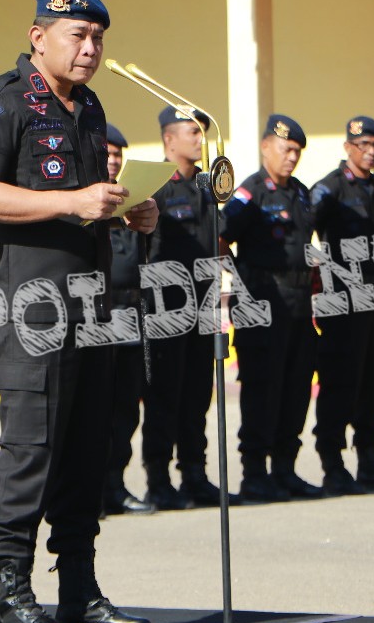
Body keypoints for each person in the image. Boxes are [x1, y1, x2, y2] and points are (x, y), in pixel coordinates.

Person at [0, 0, 158, 623]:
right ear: (39, 35)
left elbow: (87, 198)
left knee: (87, 446)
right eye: (78, 35)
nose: (91, 49)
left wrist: (132, 208)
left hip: (93, 303)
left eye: (98, 37)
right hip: (34, 305)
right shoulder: (2, 103)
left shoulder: (91, 105)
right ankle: (13, 596)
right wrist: (73, 202)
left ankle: (80, 588)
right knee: (31, 449)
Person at [220, 115, 322, 503]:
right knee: (262, 389)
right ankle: (254, 475)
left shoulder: (300, 193)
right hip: (260, 304)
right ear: (266, 148)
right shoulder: (251, 193)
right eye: (285, 149)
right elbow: (220, 237)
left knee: (295, 388)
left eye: (297, 151)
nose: (292, 157)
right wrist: (240, 280)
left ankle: (285, 469)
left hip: (298, 307)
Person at [310, 116, 374, 495]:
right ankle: (333, 465)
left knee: (373, 378)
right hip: (341, 302)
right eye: (363, 145)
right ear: (348, 147)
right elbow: (303, 235)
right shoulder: (328, 189)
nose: (371, 152)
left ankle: (370, 459)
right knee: (339, 382)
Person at [138, 105, 231, 509]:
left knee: (197, 395)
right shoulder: (154, 186)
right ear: (168, 139)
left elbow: (220, 241)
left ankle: (195, 473)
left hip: (204, 306)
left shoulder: (207, 187)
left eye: (201, 132)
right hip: (165, 309)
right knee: (164, 396)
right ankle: (158, 481)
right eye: (191, 132)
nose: (199, 139)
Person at [100, 124, 156, 517]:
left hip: (131, 316)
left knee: (124, 408)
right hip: (94, 318)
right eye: (108, 152)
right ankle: (88, 491)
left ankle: (115, 486)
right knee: (92, 410)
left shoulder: (134, 205)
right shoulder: (82, 202)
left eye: (119, 154)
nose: (114, 159)